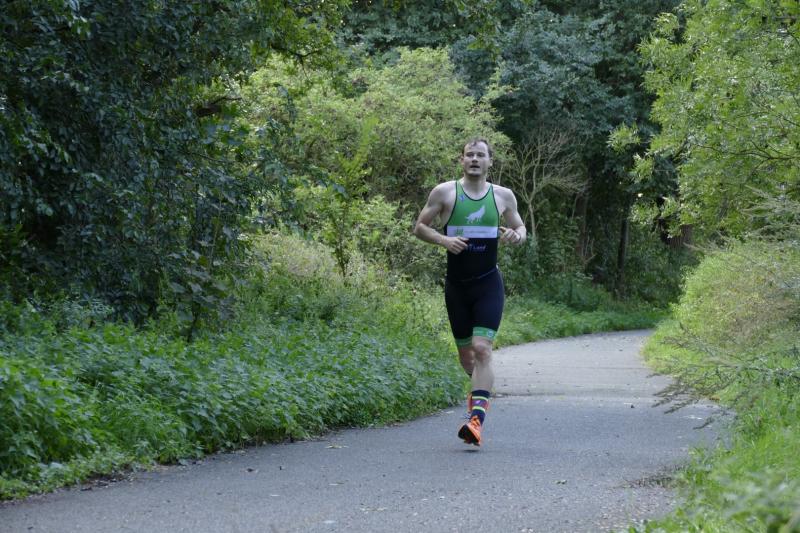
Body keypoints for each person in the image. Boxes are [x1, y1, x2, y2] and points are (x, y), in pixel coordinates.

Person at [413, 138, 526, 446]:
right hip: (457, 287)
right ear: (461, 160)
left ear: (490, 161)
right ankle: (478, 395)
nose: (475, 159)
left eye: (481, 155)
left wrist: (516, 236)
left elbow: (521, 228)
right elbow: (420, 227)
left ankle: (475, 421)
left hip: (488, 284)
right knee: (467, 358)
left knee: (482, 349)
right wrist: (444, 240)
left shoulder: (502, 196)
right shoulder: (445, 192)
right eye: (470, 155)